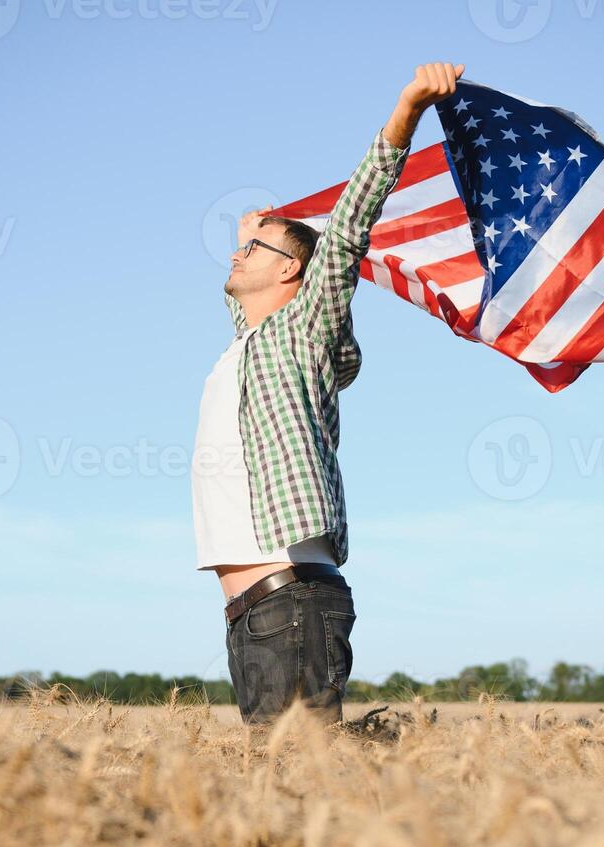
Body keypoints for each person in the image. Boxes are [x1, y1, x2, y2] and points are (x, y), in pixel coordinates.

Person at [191, 62, 465, 725]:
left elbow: (346, 230)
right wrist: (246, 238)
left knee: (306, 791)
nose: (235, 256)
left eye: (253, 249)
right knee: (282, 795)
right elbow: (246, 311)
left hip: (293, 604)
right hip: (254, 612)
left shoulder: (304, 327)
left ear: (291, 269)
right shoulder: (248, 346)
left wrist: (406, 110)